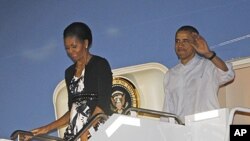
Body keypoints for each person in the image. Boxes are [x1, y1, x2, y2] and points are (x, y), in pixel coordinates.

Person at [30, 22, 113, 141]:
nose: (70, 51)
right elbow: (72, 110)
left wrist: (86, 130)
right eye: (67, 48)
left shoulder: (100, 64)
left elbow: (102, 104)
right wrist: (46, 128)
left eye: (74, 46)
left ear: (85, 43)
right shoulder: (69, 73)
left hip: (97, 129)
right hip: (75, 133)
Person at [162, 25, 235, 122]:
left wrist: (208, 54)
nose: (180, 45)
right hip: (181, 131)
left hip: (207, 126)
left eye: (185, 41)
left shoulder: (208, 65)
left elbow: (228, 74)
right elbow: (168, 108)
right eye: (177, 41)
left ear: (195, 43)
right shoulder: (170, 74)